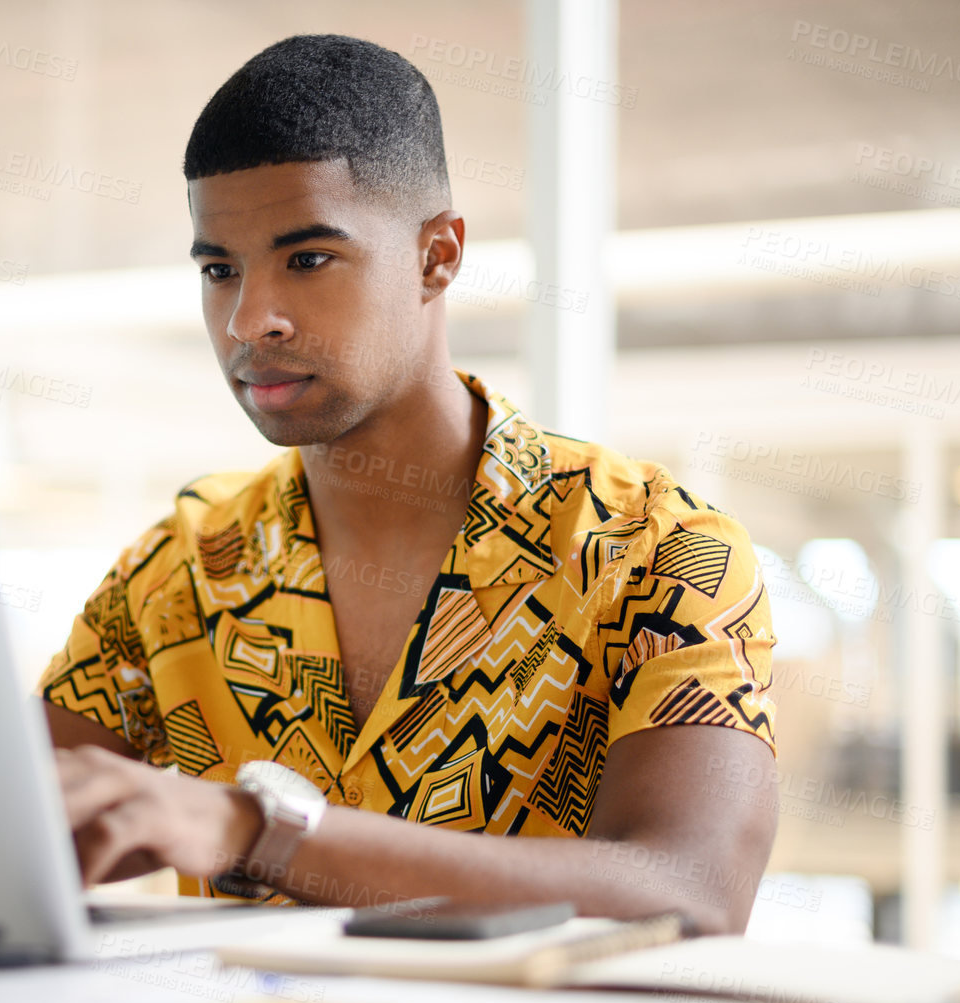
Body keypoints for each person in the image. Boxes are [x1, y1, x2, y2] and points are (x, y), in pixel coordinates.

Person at [40, 34, 779, 933]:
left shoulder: (654, 550)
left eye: (306, 258)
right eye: (218, 268)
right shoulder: (179, 571)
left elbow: (691, 892)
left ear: (437, 256)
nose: (248, 318)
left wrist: (253, 831)